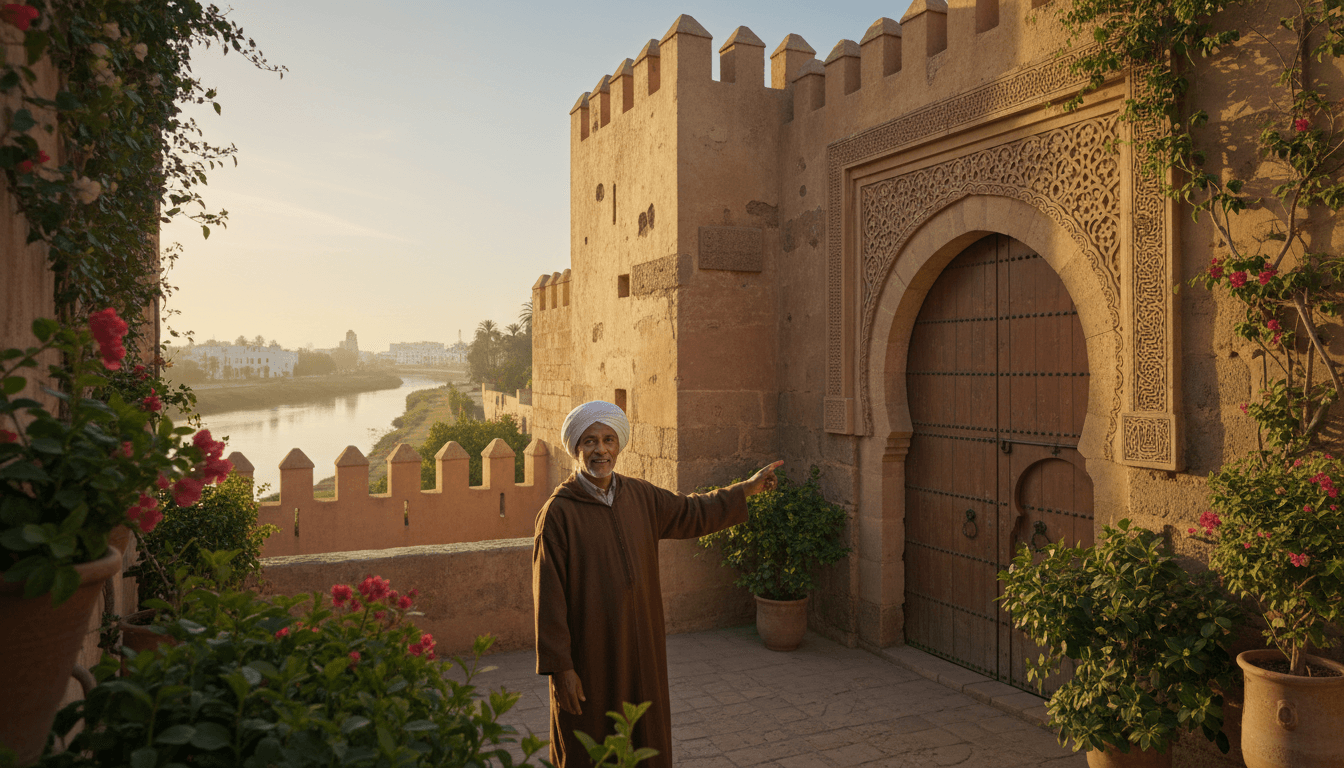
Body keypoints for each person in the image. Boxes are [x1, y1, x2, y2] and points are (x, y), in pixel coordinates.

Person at [532, 400, 781, 768]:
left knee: (645, 735)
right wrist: (560, 669)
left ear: (618, 445)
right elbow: (548, 598)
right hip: (591, 657)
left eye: (608, 440)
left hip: (642, 649)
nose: (601, 450)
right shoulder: (559, 513)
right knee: (589, 739)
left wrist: (745, 490)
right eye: (590, 441)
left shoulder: (640, 495)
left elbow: (692, 511)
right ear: (576, 447)